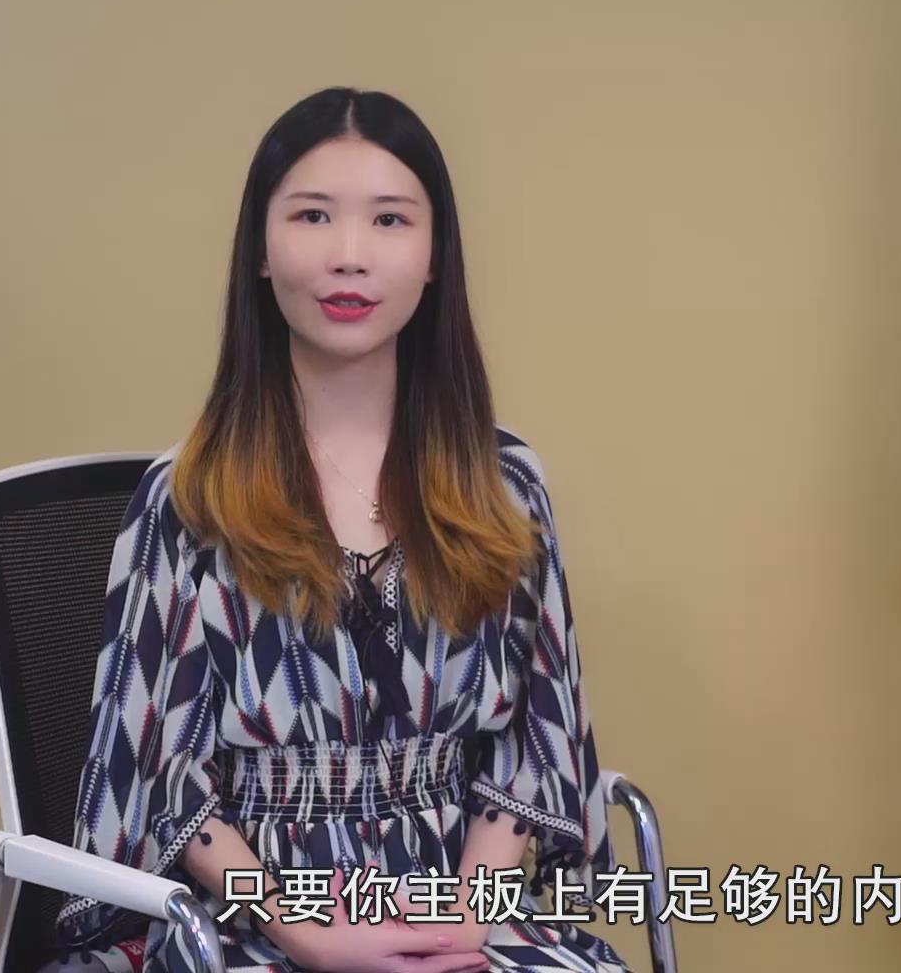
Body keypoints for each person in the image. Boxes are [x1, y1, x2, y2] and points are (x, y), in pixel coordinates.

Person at [49, 87, 629, 973]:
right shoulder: (189, 499)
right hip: (252, 915)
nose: (349, 255)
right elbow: (165, 783)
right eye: (312, 215)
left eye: (390, 220)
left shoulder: (505, 486)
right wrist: (307, 929)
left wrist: (462, 918)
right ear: (260, 250)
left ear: (434, 258)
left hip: (458, 905)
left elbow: (531, 745)